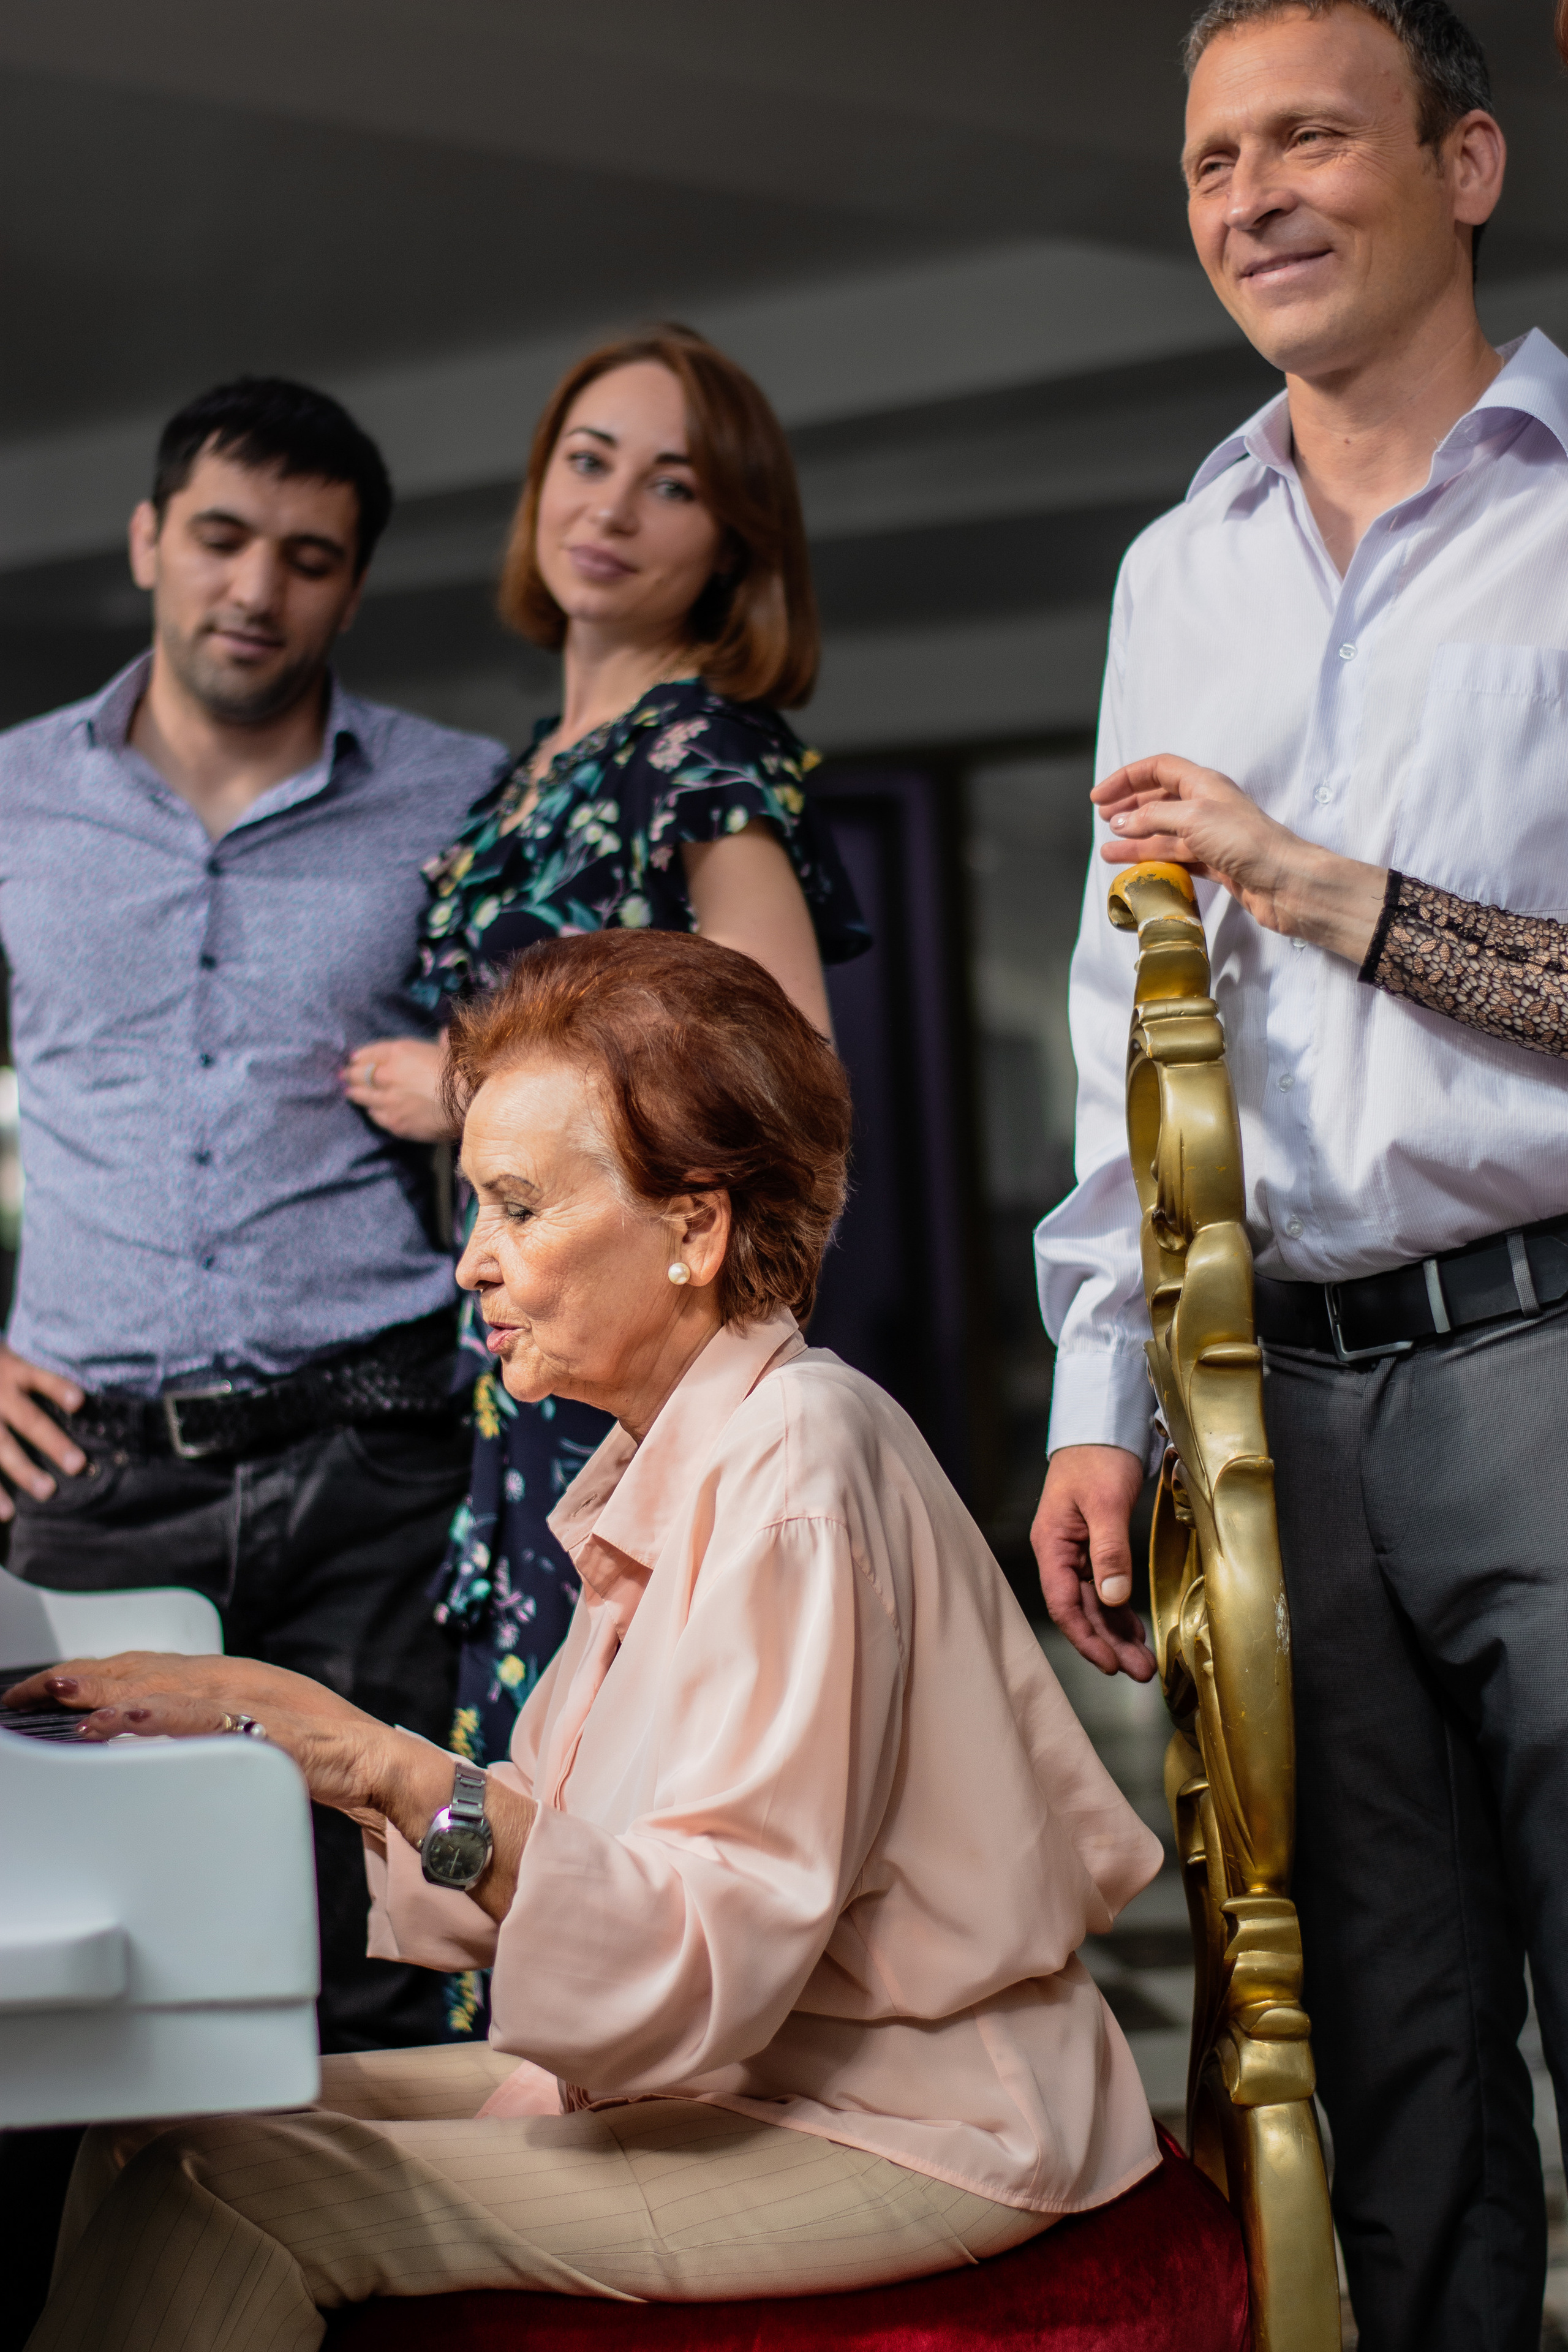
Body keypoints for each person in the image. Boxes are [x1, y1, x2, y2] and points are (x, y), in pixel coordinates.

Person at [12, 930, 1162, 2352]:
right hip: (760, 2069)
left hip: (908, 2113)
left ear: (696, 1228)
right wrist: (289, 1728)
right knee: (151, 2124)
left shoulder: (798, 1460)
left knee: (221, 2184)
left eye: (516, 1208)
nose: (471, 1266)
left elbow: (702, 1961)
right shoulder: (678, 1453)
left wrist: (368, 1762)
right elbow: (577, 1873)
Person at [1030, 4, 1568, 2346]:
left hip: (1550, 1348)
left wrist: (1323, 884)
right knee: (1391, 2071)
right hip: (1269, 1419)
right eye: (1212, 156)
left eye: (1310, 139)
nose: (1249, 193)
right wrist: (1098, 1392)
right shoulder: (1181, 567)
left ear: (1466, 161)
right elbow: (1112, 1010)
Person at [336, 325, 868, 2000]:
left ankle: (630, 2210)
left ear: (736, 542)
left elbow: (791, 1075)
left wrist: (469, 1084)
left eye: (675, 481)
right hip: (508, 1357)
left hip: (634, 1372)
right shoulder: (530, 771)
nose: (615, 508)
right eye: (588, 458)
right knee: (519, 1804)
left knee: (612, 1828)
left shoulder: (697, 745)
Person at [0, 377, 509, 2054]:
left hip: (375, 1457)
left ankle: (362, 2309)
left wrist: (473, 1083)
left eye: (307, 557)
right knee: (80, 1948)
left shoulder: (460, 799)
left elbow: (572, 1084)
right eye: (220, 539)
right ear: (149, 539)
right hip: (92, 1471)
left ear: (350, 587)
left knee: (387, 1945)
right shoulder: (10, 797)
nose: (255, 589)